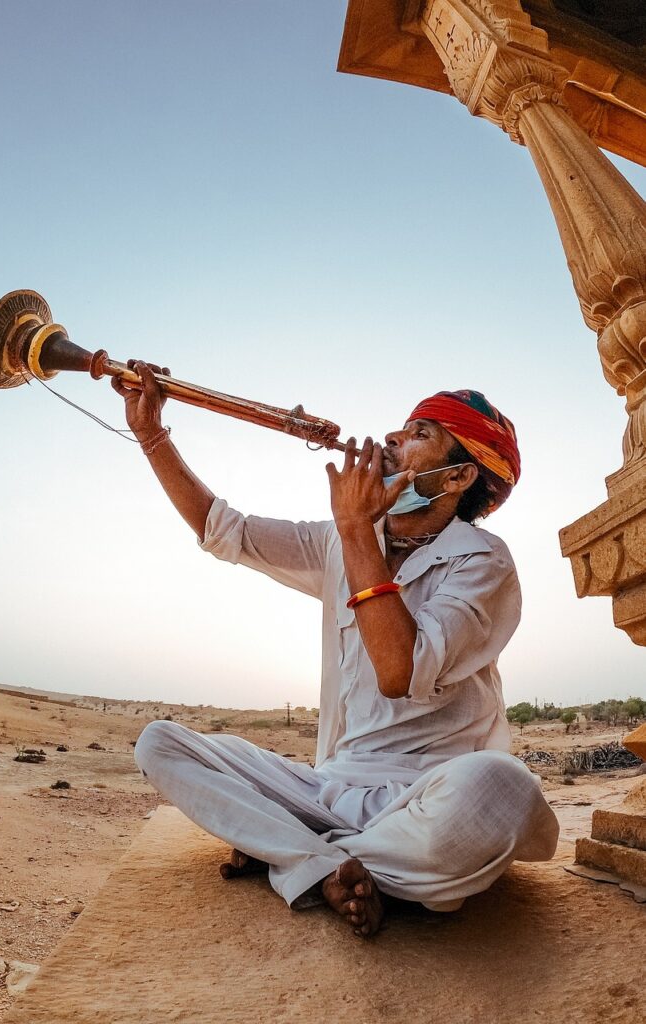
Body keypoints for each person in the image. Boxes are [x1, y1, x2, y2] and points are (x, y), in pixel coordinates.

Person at [115, 362, 559, 938]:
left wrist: (354, 529)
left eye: (421, 434)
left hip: (427, 794)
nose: (394, 439)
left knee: (503, 788)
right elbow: (225, 530)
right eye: (401, 428)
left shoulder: (481, 560)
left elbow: (400, 670)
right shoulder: (339, 540)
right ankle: (330, 863)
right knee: (161, 744)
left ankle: (291, 852)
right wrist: (151, 435)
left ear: (457, 478)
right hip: (327, 787)